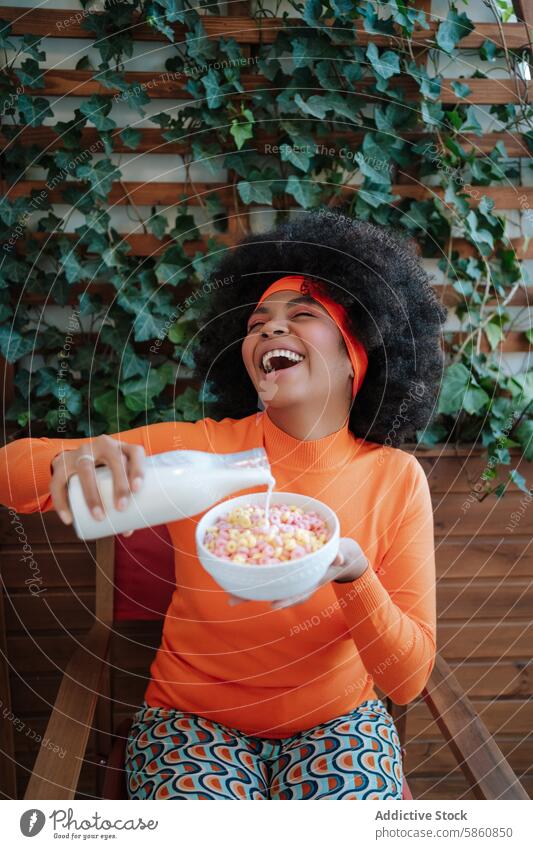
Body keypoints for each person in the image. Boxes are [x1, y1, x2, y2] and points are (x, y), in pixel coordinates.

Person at [0, 210, 446, 800]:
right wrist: (65, 466)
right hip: (191, 723)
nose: (269, 330)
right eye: (258, 321)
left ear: (355, 357)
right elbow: (9, 470)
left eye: (302, 315)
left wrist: (355, 574)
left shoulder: (395, 479)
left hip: (339, 725)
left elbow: (408, 680)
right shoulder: (202, 448)